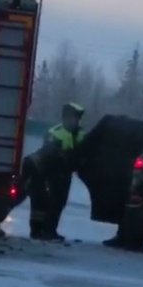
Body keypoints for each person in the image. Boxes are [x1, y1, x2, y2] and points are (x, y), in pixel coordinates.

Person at [39, 102, 86, 241]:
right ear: (66, 117)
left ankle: (51, 230)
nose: (76, 121)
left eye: (78, 118)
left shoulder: (80, 133)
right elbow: (49, 154)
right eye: (73, 117)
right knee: (53, 202)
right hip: (53, 173)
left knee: (60, 202)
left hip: (66, 174)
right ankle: (45, 231)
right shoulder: (54, 133)